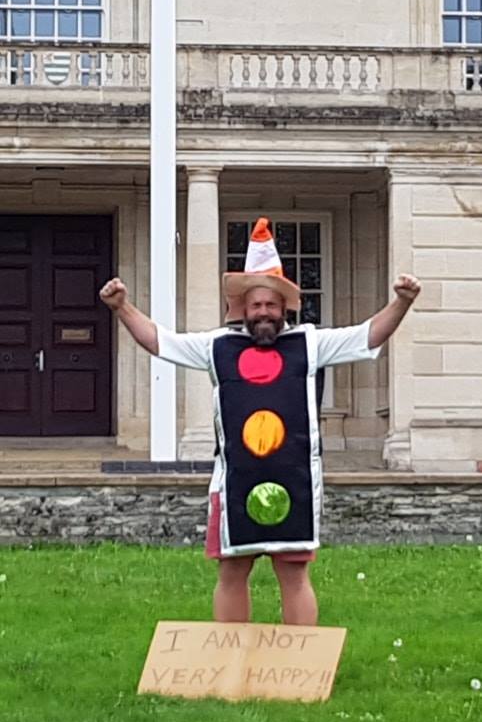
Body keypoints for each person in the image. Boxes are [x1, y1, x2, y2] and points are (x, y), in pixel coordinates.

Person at [99, 217, 420, 626]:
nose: (264, 313)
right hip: (233, 482)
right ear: (243, 310)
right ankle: (232, 662)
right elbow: (161, 341)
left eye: (271, 305)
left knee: (294, 573)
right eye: (256, 306)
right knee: (232, 572)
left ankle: (301, 666)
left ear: (284, 308)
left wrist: (403, 302)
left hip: (296, 482)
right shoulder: (217, 346)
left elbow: (369, 335)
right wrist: (121, 307)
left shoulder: (310, 342)